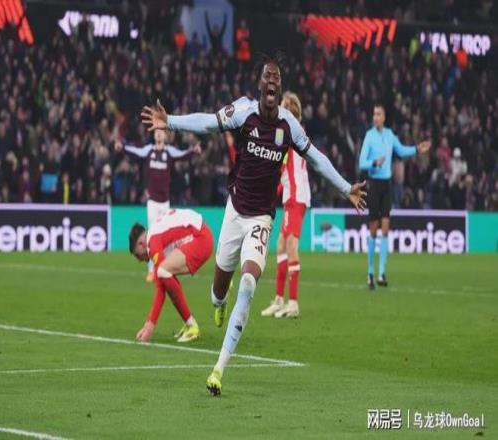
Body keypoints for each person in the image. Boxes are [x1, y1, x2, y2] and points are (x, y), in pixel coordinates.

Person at [141, 53, 367, 396]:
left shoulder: (289, 126)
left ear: (280, 87)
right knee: (218, 293)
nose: (271, 81)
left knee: (248, 283)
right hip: (234, 213)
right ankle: (219, 303)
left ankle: (218, 369)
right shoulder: (243, 111)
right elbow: (208, 122)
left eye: (277, 77)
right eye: (267, 76)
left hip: (261, 218)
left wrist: (346, 187)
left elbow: (317, 159)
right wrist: (169, 121)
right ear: (260, 85)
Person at [359, 103, 431, 290]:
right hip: (374, 185)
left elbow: (401, 150)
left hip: (386, 185)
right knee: (373, 230)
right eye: (374, 114)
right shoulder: (369, 136)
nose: (375, 117)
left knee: (385, 229)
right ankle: (370, 273)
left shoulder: (390, 135)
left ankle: (382, 272)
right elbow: (361, 162)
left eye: (378, 114)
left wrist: (417, 149)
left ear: (384, 117)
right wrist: (374, 163)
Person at [115, 129, 201, 281]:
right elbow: (135, 152)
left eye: (162, 131)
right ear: (154, 135)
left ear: (165, 135)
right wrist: (122, 147)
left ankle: (167, 267)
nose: (159, 134)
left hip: (165, 202)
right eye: (157, 132)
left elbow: (183, 154)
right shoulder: (149, 150)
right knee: (151, 236)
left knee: (166, 237)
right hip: (153, 202)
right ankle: (151, 270)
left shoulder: (169, 152)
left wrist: (193, 151)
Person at [129, 208, 214, 343]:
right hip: (202, 234)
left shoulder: (153, 242)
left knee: (163, 271)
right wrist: (148, 323)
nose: (140, 260)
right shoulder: (155, 234)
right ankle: (189, 323)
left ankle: (192, 325)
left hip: (200, 239)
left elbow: (160, 289)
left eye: (138, 255)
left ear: (140, 244)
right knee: (164, 272)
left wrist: (150, 325)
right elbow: (161, 284)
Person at [261, 92, 309, 319]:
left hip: (297, 197)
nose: (278, 108)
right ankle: (279, 299)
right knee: (280, 246)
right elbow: (281, 166)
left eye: (283, 106)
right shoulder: (286, 131)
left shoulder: (293, 130)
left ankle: (294, 303)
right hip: (290, 196)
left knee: (290, 245)